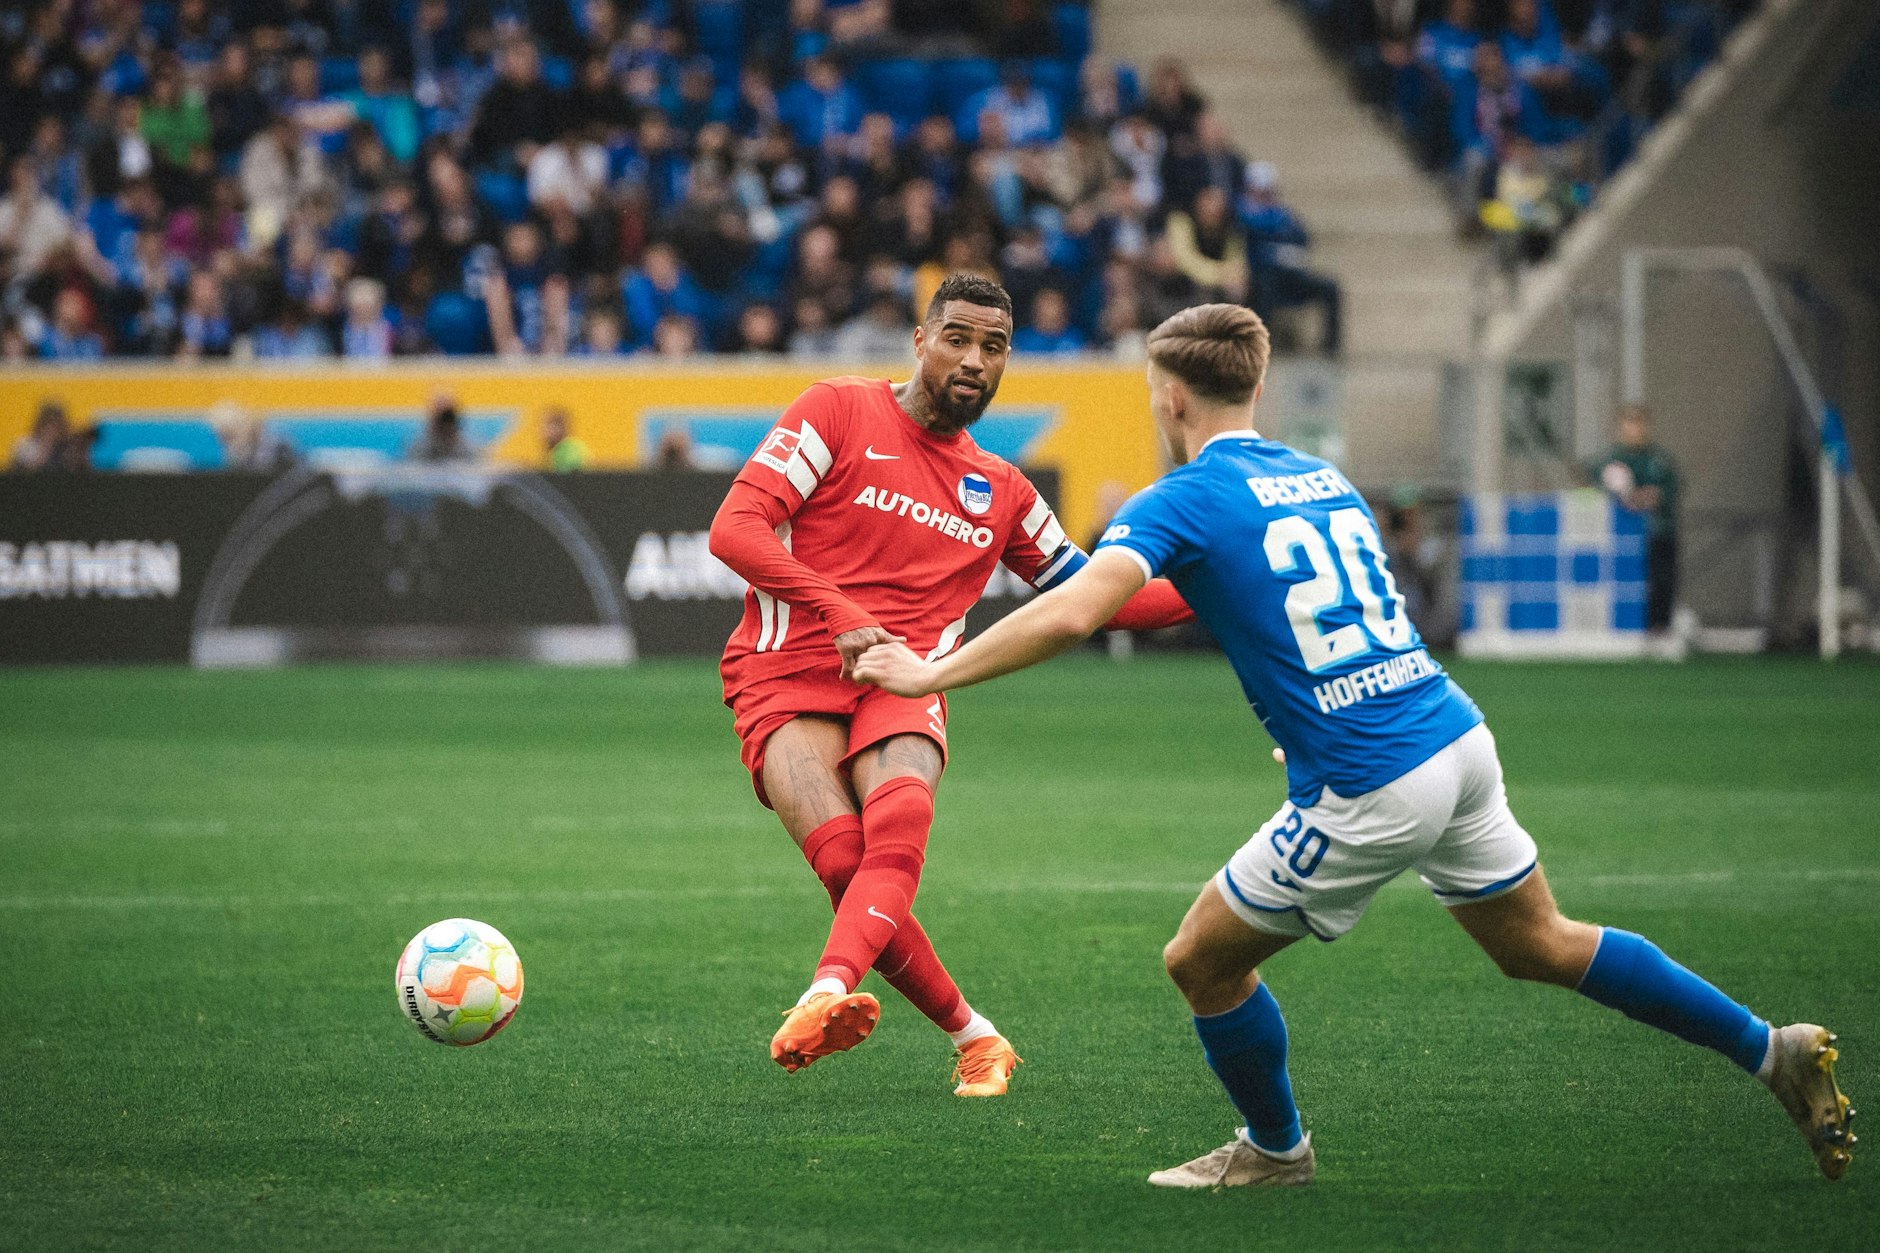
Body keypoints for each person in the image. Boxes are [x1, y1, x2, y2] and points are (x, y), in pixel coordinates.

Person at [853, 303, 1855, 1185]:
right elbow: (1357, 625)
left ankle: (1273, 1149)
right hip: (1451, 736)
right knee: (1538, 940)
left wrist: (930, 672)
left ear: (1169, 396)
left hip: (1374, 778)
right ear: (1255, 386)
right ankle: (1771, 1048)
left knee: (1200, 959)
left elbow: (1077, 610)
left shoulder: (1180, 497)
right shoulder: (1318, 474)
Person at [705, 273, 1195, 1095]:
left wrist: (1229, 581)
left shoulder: (1003, 491)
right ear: (921, 340)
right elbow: (734, 528)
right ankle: (977, 1036)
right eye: (958, 338)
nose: (974, 359)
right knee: (846, 862)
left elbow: (1107, 599)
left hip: (905, 677)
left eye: (993, 347)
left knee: (898, 821)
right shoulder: (837, 410)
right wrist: (838, 609)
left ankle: (825, 990)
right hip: (785, 671)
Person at [1599, 403, 1681, 635]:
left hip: (1656, 532)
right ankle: (1622, 626)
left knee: (1660, 580)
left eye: (1639, 423)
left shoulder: (1659, 460)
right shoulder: (1610, 460)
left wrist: (1642, 498)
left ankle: (1659, 627)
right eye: (1629, 423)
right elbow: (1600, 489)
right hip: (1618, 536)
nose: (1634, 429)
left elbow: (1666, 492)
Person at [541, 407, 589, 471]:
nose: (543, 432)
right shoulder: (551, 452)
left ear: (559, 428)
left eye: (548, 427)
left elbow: (568, 473)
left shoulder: (569, 450)